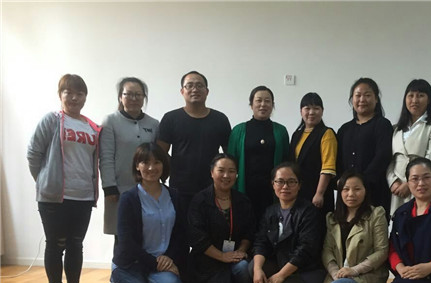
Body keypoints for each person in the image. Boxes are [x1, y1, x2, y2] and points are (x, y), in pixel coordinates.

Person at [27, 74, 101, 283]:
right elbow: (33, 154)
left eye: (80, 93)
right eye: (69, 92)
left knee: (75, 244)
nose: (74, 98)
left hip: (84, 196)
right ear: (60, 95)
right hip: (54, 197)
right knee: (56, 244)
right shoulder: (52, 120)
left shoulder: (92, 127)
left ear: (85, 97)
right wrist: (45, 181)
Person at [99, 143, 187, 283]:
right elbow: (126, 243)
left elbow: (181, 234)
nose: (151, 168)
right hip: (130, 265)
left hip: (159, 264)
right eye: (145, 163)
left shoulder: (174, 196)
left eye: (157, 162)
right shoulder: (129, 198)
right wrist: (156, 263)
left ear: (164, 165)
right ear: (137, 166)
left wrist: (169, 258)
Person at [315, 171, 388, 283]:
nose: (351, 194)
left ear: (365, 191)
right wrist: (335, 272)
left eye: (357, 189)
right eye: (346, 189)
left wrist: (354, 270)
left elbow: (382, 251)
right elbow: (327, 250)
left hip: (368, 275)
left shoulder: (376, 214)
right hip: (339, 278)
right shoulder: (332, 218)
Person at [250, 162, 325, 283]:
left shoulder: (308, 212)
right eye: (280, 181)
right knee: (252, 267)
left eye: (291, 181)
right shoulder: (271, 211)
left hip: (308, 272)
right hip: (285, 265)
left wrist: (281, 275)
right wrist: (257, 269)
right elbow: (261, 242)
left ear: (299, 185)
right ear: (273, 184)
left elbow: (306, 250)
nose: (285, 186)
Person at [187, 154, 255, 283]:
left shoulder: (243, 201)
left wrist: (241, 250)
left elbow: (249, 231)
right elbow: (197, 238)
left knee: (244, 268)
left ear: (236, 174)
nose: (226, 175)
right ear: (212, 172)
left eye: (231, 171)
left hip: (233, 257)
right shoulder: (200, 201)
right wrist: (222, 256)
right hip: (207, 259)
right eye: (221, 170)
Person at [157, 71, 231, 211]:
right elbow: (160, 153)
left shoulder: (220, 119)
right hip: (180, 188)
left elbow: (229, 155)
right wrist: (175, 169)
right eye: (189, 85)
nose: (195, 89)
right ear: (182, 91)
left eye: (199, 85)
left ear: (207, 91)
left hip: (212, 187)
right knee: (181, 224)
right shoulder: (170, 118)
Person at [100, 77, 159, 236]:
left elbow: (158, 156)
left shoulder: (153, 124)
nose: (134, 98)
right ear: (120, 97)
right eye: (129, 94)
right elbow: (106, 156)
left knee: (147, 233)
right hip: (119, 189)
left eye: (138, 95)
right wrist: (109, 187)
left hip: (148, 189)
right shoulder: (110, 121)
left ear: (144, 97)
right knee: (122, 235)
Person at [387, 79, 431, 215]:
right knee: (400, 222)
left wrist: (410, 183)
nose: (415, 100)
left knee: (426, 221)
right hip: (398, 189)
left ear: (429, 99)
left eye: (420, 96)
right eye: (411, 96)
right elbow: (390, 160)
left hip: (423, 184)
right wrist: (392, 181)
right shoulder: (396, 129)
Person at [228, 86, 290, 222]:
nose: (263, 104)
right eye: (258, 100)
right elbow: (231, 163)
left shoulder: (281, 131)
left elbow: (286, 162)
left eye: (267, 101)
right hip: (245, 188)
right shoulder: (238, 131)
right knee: (246, 225)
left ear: (272, 105)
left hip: (272, 190)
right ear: (251, 104)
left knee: (271, 225)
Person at [336, 77, 392, 217]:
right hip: (347, 195)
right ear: (352, 99)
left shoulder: (383, 125)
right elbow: (338, 159)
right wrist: (343, 182)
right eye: (358, 95)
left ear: (376, 99)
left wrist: (362, 183)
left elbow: (383, 156)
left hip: (374, 190)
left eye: (367, 95)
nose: (362, 99)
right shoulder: (344, 129)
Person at [289, 92, 337, 218]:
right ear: (301, 111)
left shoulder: (327, 133)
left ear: (322, 111)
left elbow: (328, 167)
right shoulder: (296, 134)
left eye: (316, 108)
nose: (311, 112)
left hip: (317, 193)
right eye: (307, 108)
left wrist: (319, 193)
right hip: (298, 192)